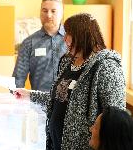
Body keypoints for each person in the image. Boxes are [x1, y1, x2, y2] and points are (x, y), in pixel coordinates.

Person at [14, 13, 126, 150]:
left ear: (84, 36)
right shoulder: (67, 61)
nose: (65, 39)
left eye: (69, 34)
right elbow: (59, 98)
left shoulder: (107, 67)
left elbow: (116, 122)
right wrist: (29, 95)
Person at [13, 0, 67, 91]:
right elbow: (18, 79)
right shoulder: (28, 43)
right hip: (39, 103)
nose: (48, 15)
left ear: (61, 13)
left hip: (69, 103)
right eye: (44, 11)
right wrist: (17, 99)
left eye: (53, 11)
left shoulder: (73, 40)